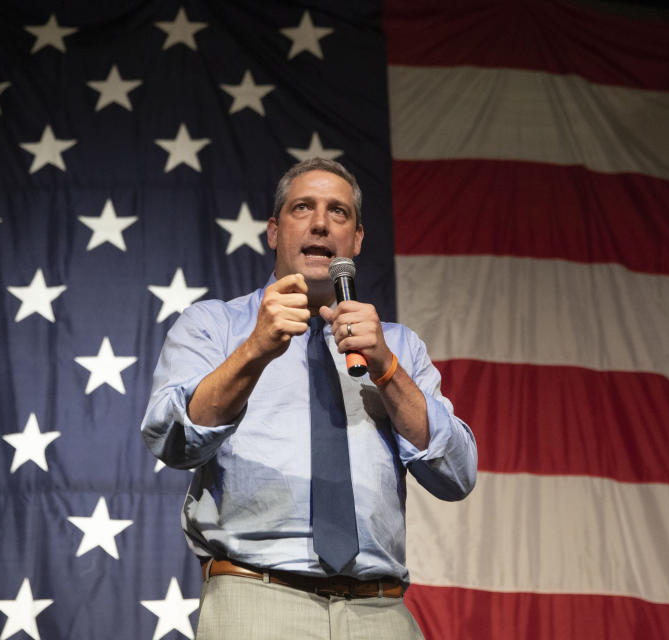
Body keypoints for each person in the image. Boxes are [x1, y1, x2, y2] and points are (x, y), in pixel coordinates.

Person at [141, 157, 477, 639]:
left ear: (356, 241)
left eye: (338, 213)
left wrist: (387, 368)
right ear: (275, 231)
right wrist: (255, 350)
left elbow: (457, 475)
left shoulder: (397, 346)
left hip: (378, 610)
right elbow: (173, 440)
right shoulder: (214, 326)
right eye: (304, 208)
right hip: (257, 600)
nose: (321, 222)